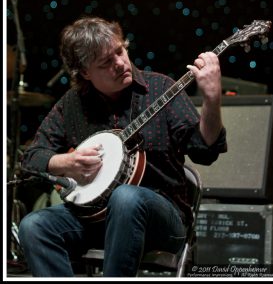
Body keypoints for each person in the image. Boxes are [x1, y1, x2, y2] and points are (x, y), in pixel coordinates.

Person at [18, 16, 227, 277]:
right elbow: (32, 158)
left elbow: (205, 152)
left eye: (120, 50)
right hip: (95, 218)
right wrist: (65, 164)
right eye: (106, 62)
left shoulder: (161, 88)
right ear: (84, 72)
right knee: (33, 225)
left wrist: (212, 99)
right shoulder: (72, 104)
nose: (120, 63)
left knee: (125, 197)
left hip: (162, 219)